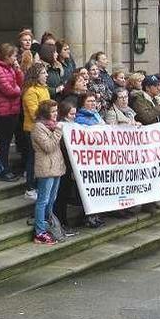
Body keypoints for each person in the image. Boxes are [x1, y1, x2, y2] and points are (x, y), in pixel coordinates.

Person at [0, 43, 24, 182]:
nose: (15, 59)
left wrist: (18, 71)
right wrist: (18, 91)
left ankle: (6, 167)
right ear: (6, 56)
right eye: (14, 56)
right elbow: (8, 90)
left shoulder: (9, 68)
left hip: (12, 108)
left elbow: (20, 83)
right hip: (4, 110)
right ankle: (2, 169)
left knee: (8, 140)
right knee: (4, 142)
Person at [31, 100, 64, 246]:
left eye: (57, 111)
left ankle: (47, 224)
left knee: (52, 198)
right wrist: (58, 131)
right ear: (45, 113)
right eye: (53, 111)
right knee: (43, 199)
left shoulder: (53, 126)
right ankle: (39, 231)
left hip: (56, 166)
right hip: (46, 167)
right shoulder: (38, 127)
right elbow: (49, 146)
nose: (56, 114)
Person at [74, 93, 106, 229]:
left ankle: (95, 215)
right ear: (83, 103)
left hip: (100, 157)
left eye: (94, 101)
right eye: (90, 101)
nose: (93, 103)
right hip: (88, 159)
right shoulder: (80, 118)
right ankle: (88, 217)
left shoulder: (96, 115)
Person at [21, 63, 50, 200]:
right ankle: (30, 187)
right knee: (33, 159)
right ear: (36, 75)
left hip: (45, 128)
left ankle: (37, 185)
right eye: (44, 73)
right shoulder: (31, 91)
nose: (46, 75)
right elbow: (34, 113)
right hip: (33, 129)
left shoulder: (44, 89)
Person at [53, 101, 81, 229]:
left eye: (75, 113)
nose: (73, 116)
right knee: (61, 195)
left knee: (64, 194)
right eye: (71, 114)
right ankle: (60, 220)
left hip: (70, 165)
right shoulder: (61, 126)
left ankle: (63, 221)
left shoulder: (73, 125)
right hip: (63, 165)